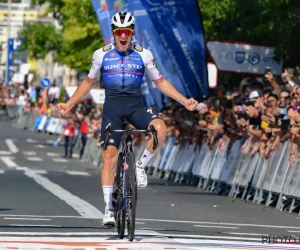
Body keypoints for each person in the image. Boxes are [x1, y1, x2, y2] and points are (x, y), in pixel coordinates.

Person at [56, 12, 198, 226]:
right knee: (109, 157)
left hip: (135, 107)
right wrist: (69, 104)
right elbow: (88, 82)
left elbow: (160, 82)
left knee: (159, 128)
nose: (123, 36)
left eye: (127, 32)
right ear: (113, 33)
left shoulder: (144, 55)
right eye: (119, 32)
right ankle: (109, 209)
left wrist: (184, 100)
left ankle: (140, 166)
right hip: (112, 108)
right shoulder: (101, 55)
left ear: (132, 34)